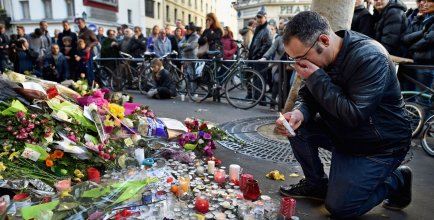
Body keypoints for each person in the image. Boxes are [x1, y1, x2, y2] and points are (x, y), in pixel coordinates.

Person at [275, 11, 412, 218]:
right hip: (343, 134)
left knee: (340, 208)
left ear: (323, 40)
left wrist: (317, 78)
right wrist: (299, 113)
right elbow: (308, 96)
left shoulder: (370, 56)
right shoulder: (318, 61)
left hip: (378, 145)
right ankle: (316, 185)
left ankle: (398, 178)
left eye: (302, 58)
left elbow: (354, 115)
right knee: (298, 128)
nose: (299, 65)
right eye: (293, 59)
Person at [401, 0, 434, 99]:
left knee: (422, 100)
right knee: (414, 98)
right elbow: (405, 38)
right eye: (420, 1)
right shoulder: (424, 18)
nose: (424, 4)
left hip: (427, 65)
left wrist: (411, 48)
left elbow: (429, 39)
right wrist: (422, 33)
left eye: (429, 1)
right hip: (418, 62)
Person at [259, 18, 288, 111]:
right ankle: (272, 104)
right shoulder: (279, 39)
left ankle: (283, 105)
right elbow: (272, 49)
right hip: (278, 65)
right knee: (276, 82)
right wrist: (265, 57)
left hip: (290, 67)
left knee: (287, 85)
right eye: (285, 28)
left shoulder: (295, 39)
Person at [248, 10, 272, 105]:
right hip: (255, 58)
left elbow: (268, 44)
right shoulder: (259, 28)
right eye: (258, 17)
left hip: (261, 59)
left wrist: (259, 55)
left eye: (261, 17)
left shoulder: (267, 29)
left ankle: (261, 101)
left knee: (260, 80)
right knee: (256, 79)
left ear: (265, 18)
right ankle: (256, 99)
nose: (259, 19)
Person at [77, 17, 99, 86]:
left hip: (88, 54)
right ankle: (83, 88)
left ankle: (91, 88)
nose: (78, 24)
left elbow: (96, 41)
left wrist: (89, 46)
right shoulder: (80, 32)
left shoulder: (89, 31)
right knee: (82, 73)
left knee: (89, 72)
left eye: (79, 23)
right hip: (81, 54)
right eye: (77, 23)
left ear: (84, 23)